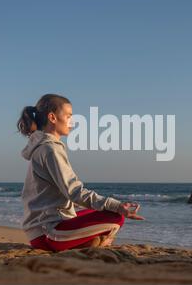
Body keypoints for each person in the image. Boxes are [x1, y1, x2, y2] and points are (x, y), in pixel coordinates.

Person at [17, 93, 144, 252]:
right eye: (69, 116)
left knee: (103, 210)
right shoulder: (50, 149)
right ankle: (93, 244)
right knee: (116, 216)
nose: (72, 121)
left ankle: (89, 243)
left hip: (39, 230)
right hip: (47, 234)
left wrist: (108, 206)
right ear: (52, 117)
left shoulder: (45, 147)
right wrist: (117, 205)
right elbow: (75, 192)